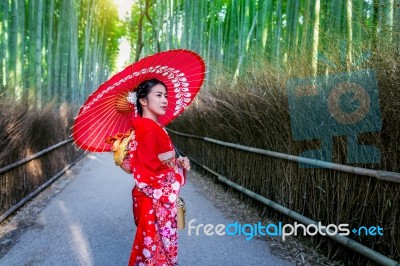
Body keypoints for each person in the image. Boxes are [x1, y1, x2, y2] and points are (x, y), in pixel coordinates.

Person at [127, 78, 190, 266]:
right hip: (153, 200)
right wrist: (176, 175)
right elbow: (149, 173)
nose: (165, 100)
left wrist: (178, 163)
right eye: (159, 95)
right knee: (155, 257)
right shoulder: (146, 128)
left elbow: (160, 162)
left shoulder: (155, 127)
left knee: (155, 255)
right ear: (143, 101)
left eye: (166, 96)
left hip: (157, 200)